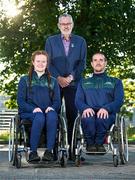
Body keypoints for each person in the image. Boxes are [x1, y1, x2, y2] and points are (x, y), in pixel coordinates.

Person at [45, 13, 87, 158]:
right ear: (59, 26)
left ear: (72, 24)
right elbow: (48, 62)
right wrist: (59, 78)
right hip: (55, 84)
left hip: (74, 83)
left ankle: (73, 151)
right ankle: (54, 151)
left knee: (73, 116)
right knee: (53, 115)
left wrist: (70, 77)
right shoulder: (50, 41)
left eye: (68, 23)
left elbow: (82, 63)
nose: (66, 26)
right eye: (63, 24)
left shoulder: (81, 41)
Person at [75, 52, 124, 152]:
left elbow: (119, 100)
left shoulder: (116, 82)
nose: (98, 62)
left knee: (102, 117)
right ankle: (90, 143)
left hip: (108, 114)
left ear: (105, 63)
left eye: (101, 60)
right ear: (92, 64)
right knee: (88, 118)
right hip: (89, 112)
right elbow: (78, 100)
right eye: (95, 60)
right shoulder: (83, 82)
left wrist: (107, 108)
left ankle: (99, 143)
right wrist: (85, 108)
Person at [17, 50, 61, 162]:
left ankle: (49, 152)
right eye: (38, 61)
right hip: (29, 112)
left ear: (47, 63)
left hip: (47, 110)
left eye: (43, 61)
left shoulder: (53, 81)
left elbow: (57, 101)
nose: (40, 64)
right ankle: (33, 152)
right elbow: (20, 101)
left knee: (52, 116)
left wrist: (53, 107)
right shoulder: (25, 80)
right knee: (39, 117)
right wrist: (33, 109)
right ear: (33, 62)